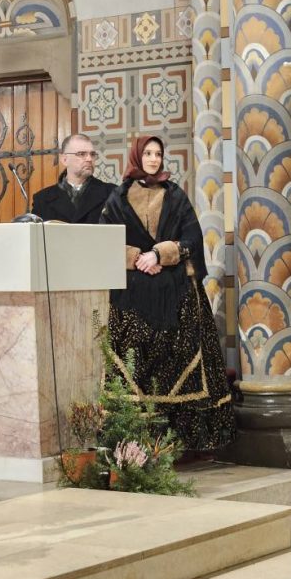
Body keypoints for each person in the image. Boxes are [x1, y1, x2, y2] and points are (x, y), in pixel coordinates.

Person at [99, 135, 235, 451]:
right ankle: (134, 443)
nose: (153, 159)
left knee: (181, 360)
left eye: (158, 154)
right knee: (134, 365)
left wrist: (159, 254)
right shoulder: (117, 198)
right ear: (137, 156)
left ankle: (181, 442)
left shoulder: (175, 196)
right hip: (131, 296)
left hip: (176, 292)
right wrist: (137, 258)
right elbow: (104, 240)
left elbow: (192, 239)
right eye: (147, 153)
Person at [31, 133, 115, 223]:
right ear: (64, 159)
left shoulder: (112, 193)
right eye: (82, 154)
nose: (89, 159)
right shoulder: (42, 199)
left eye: (92, 154)